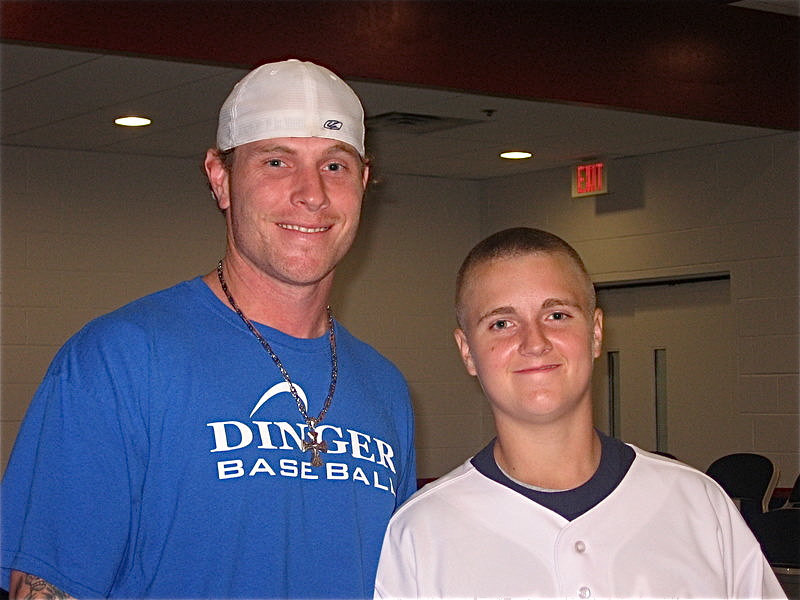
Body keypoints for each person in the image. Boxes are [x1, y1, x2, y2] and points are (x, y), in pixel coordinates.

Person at [1, 59, 417, 599]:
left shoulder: (385, 388)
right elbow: (48, 584)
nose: (311, 193)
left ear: (362, 182)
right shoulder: (119, 360)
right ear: (220, 178)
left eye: (335, 166)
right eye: (276, 162)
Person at [374, 227, 784, 599]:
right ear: (467, 351)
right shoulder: (422, 532)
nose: (534, 342)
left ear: (596, 332)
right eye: (501, 323)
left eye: (557, 315)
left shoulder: (698, 505)